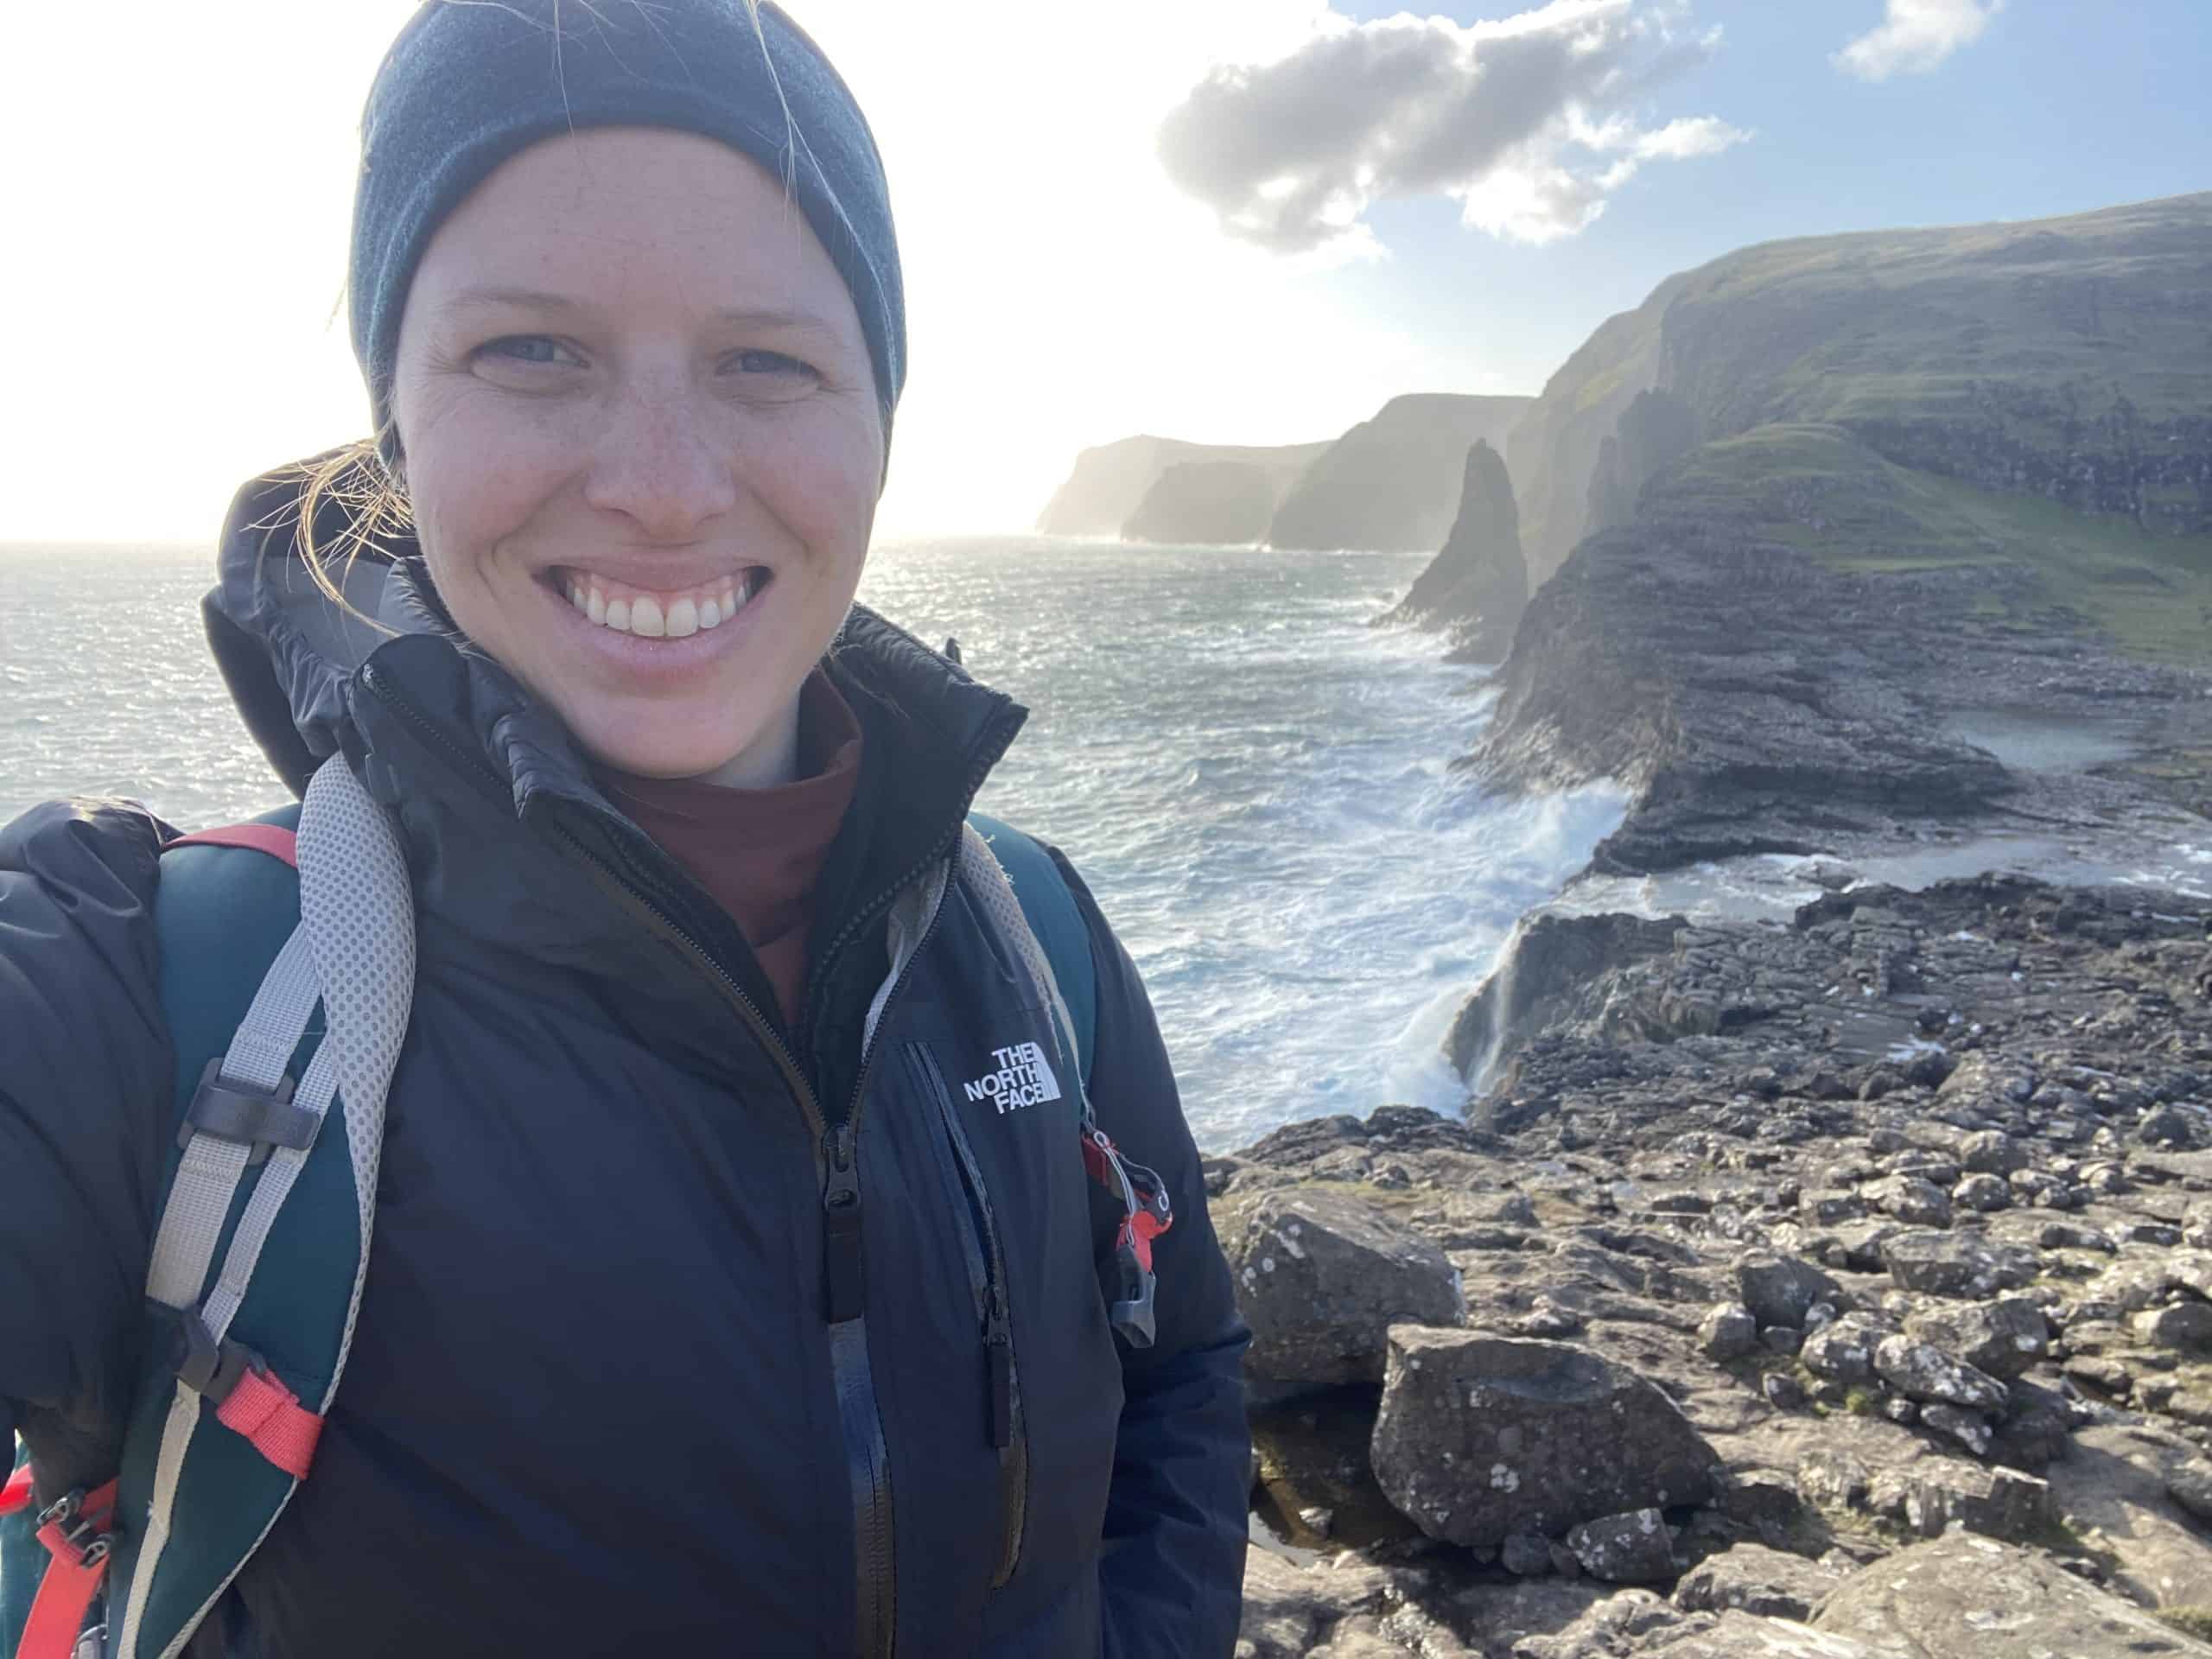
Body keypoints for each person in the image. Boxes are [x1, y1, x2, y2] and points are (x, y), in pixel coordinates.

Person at [0, 3, 1251, 1654]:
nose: (664, 486)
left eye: (767, 361)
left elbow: (1177, 1367)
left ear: (880, 414)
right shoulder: (148, 996)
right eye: (534, 351)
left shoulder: (1035, 936)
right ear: (396, 417)